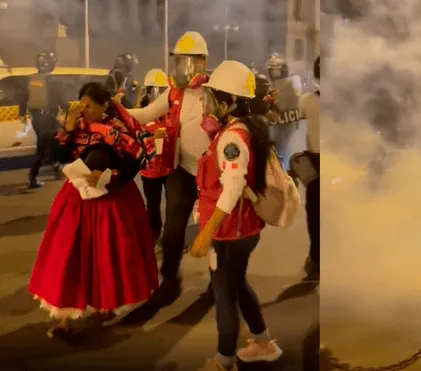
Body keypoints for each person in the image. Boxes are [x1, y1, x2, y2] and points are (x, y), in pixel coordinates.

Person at [28, 82, 159, 338]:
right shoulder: (74, 127)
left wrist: (110, 176)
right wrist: (67, 128)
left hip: (112, 201)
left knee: (108, 256)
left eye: (90, 105)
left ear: (105, 106)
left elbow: (132, 164)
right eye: (82, 104)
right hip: (76, 199)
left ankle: (106, 304)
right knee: (69, 257)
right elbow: (57, 155)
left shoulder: (118, 130)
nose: (84, 110)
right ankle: (64, 319)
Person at [190, 60, 283, 371]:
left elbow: (231, 189)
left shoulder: (233, 139)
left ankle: (223, 362)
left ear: (227, 102)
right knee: (238, 285)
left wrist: (206, 233)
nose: (208, 104)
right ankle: (263, 342)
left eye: (213, 98)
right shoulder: (241, 129)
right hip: (241, 230)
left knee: (225, 297)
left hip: (229, 233)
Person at [125, 31, 212, 309]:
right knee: (173, 227)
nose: (184, 68)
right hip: (182, 170)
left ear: (202, 62)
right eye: (179, 61)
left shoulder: (215, 91)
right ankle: (170, 278)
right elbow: (146, 114)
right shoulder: (175, 91)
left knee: (216, 230)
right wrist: (115, 110)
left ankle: (218, 280)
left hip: (214, 174)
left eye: (189, 61)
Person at [138, 69, 172, 245]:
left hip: (168, 167)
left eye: (162, 92)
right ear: (149, 92)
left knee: (174, 206)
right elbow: (137, 141)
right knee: (153, 206)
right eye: (156, 91)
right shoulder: (142, 115)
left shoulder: (169, 113)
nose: (159, 96)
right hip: (150, 171)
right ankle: (154, 234)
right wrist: (153, 138)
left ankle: (170, 237)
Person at [297, 55, 320, 280]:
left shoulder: (306, 100)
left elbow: (287, 120)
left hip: (315, 163)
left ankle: (316, 261)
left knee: (314, 214)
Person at [25, 52, 62, 189]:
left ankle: (57, 168)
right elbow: (60, 99)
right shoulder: (52, 80)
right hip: (47, 118)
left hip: (37, 118)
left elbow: (23, 96)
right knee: (42, 149)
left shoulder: (30, 78)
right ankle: (32, 179)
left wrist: (22, 112)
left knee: (54, 142)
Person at [265, 53, 301, 171]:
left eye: (276, 72)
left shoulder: (289, 85)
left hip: (285, 123)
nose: (275, 75)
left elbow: (291, 104)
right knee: (277, 147)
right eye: (272, 72)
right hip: (279, 124)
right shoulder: (273, 87)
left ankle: (283, 170)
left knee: (282, 147)